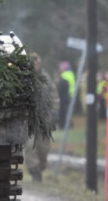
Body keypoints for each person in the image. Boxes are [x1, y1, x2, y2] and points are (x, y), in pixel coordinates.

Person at [25, 53, 56, 182]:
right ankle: (34, 173)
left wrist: (55, 112)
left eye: (37, 63)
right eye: (33, 64)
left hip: (44, 119)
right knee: (30, 146)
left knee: (43, 148)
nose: (35, 66)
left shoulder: (46, 78)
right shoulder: (25, 78)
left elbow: (54, 96)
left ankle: (41, 167)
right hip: (29, 119)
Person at [57, 61, 75, 128]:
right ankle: (68, 124)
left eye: (61, 67)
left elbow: (61, 86)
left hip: (65, 95)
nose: (60, 68)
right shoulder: (71, 74)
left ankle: (64, 124)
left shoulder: (64, 75)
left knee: (64, 111)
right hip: (70, 95)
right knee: (68, 111)